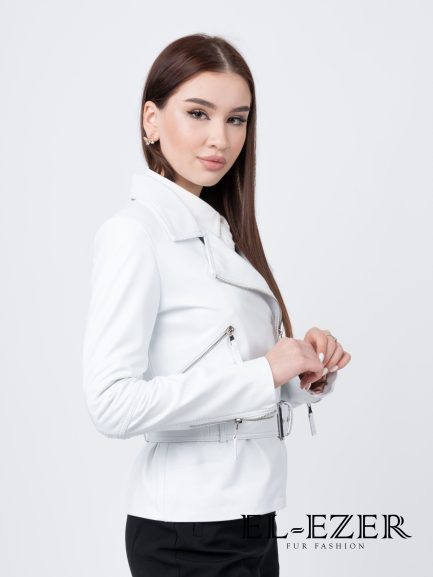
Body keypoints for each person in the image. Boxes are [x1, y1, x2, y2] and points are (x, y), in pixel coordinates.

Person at [82, 33, 351, 577]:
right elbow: (111, 403)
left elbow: (230, 373)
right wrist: (263, 372)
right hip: (186, 531)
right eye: (198, 113)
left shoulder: (223, 236)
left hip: (252, 517)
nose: (220, 138)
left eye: (236, 119)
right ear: (151, 120)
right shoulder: (135, 234)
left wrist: (301, 372)